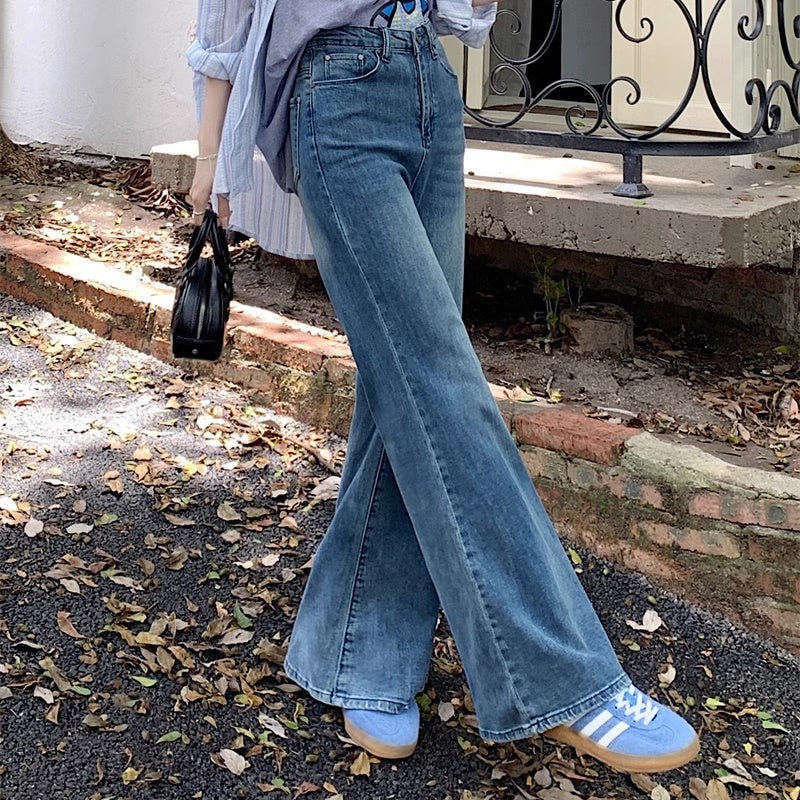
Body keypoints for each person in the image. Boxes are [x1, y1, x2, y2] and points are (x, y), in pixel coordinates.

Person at [187, 0, 700, 772]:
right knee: (438, 380)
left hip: (429, 82)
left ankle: (358, 656)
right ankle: (565, 679)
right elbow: (223, 15)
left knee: (403, 385)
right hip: (338, 93)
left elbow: (468, 16)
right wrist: (210, 154)